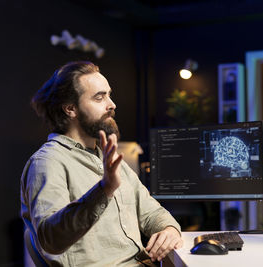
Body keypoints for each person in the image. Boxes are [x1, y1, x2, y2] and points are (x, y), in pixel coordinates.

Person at [20, 61, 183, 266]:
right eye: (100, 97)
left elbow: (153, 213)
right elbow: (50, 238)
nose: (112, 104)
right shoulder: (47, 162)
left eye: (109, 94)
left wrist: (169, 229)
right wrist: (104, 189)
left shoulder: (110, 160)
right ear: (71, 108)